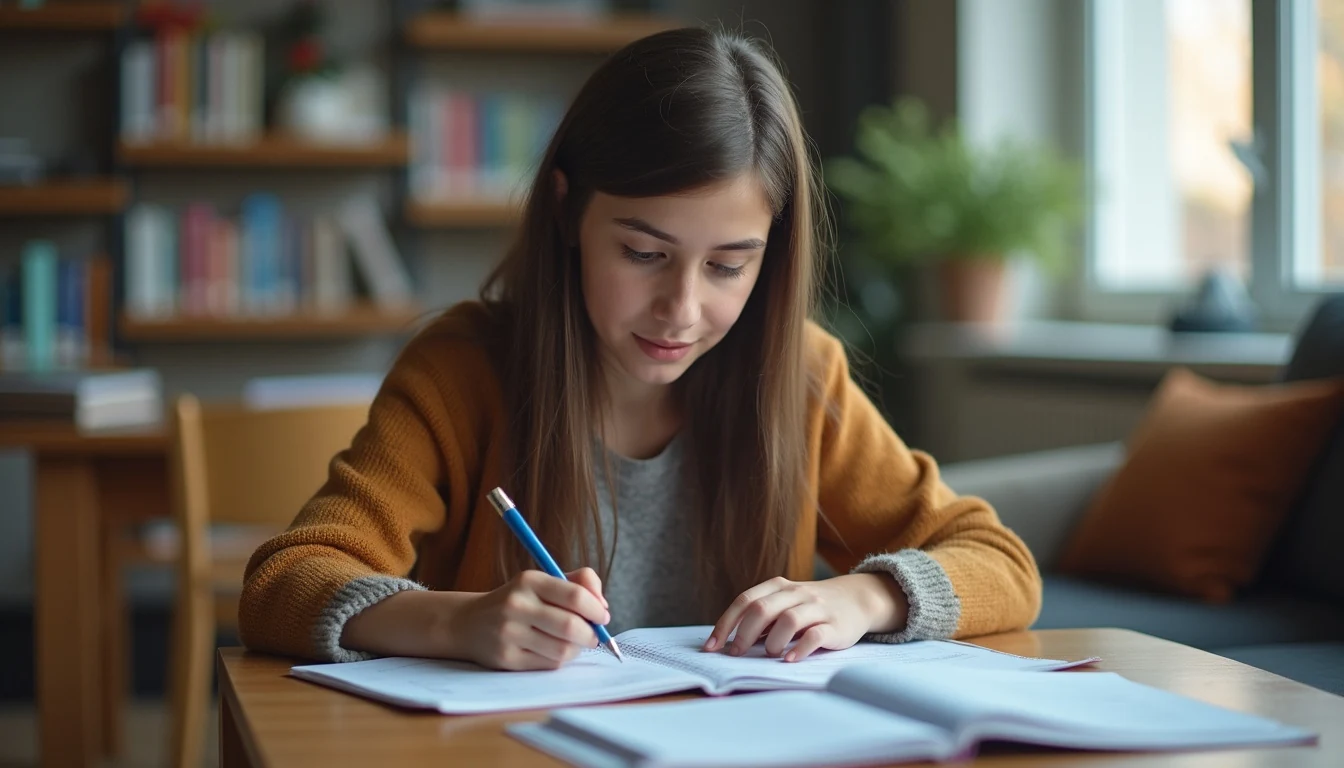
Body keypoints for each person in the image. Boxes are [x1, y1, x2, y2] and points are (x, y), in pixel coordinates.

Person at [239, 26, 1041, 671]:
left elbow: (1001, 562)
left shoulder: (799, 373)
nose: (682, 309)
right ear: (566, 212)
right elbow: (285, 581)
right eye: (644, 254)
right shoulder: (461, 370)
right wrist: (454, 622)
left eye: (730, 265)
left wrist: (861, 599)